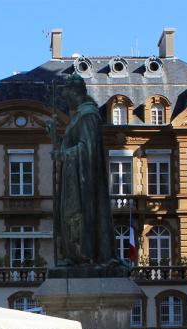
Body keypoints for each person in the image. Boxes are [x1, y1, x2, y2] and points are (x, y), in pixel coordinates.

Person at [47, 73, 118, 268]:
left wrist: (63, 155)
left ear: (73, 93)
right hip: (73, 178)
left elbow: (87, 148)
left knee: (76, 215)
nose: (64, 99)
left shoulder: (88, 115)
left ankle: (84, 255)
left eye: (65, 94)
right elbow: (70, 146)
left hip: (83, 181)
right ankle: (74, 255)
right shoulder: (78, 116)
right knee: (69, 217)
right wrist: (55, 137)